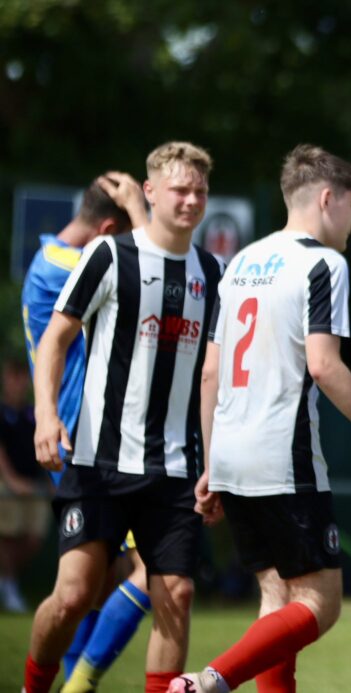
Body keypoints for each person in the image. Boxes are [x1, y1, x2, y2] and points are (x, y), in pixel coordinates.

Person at [170, 144, 351, 693]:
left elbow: (210, 373)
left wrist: (211, 464)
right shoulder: (325, 263)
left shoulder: (237, 265)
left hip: (231, 455)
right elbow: (325, 368)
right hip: (284, 455)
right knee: (320, 605)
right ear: (327, 198)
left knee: (276, 600)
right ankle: (211, 680)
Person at [23, 142, 222, 693]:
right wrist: (45, 415)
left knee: (176, 594)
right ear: (150, 192)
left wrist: (216, 461)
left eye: (200, 191)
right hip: (98, 459)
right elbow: (54, 341)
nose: (191, 200)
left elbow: (212, 376)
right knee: (74, 596)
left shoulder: (213, 272)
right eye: (180, 189)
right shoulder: (109, 256)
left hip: (176, 468)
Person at [21, 171, 155, 691]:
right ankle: (78, 683)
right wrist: (143, 218)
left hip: (89, 441)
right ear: (106, 231)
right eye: (118, 238)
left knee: (92, 587)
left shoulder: (49, 258)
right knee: (150, 569)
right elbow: (145, 272)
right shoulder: (64, 266)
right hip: (85, 443)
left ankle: (68, 681)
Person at [0, 359, 49, 613]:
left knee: (33, 539)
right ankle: (9, 588)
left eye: (21, 378)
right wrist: (11, 481)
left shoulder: (32, 413)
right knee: (7, 537)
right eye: (13, 377)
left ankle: (7, 581)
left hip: (33, 486)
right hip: (7, 486)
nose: (17, 384)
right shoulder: (1, 412)